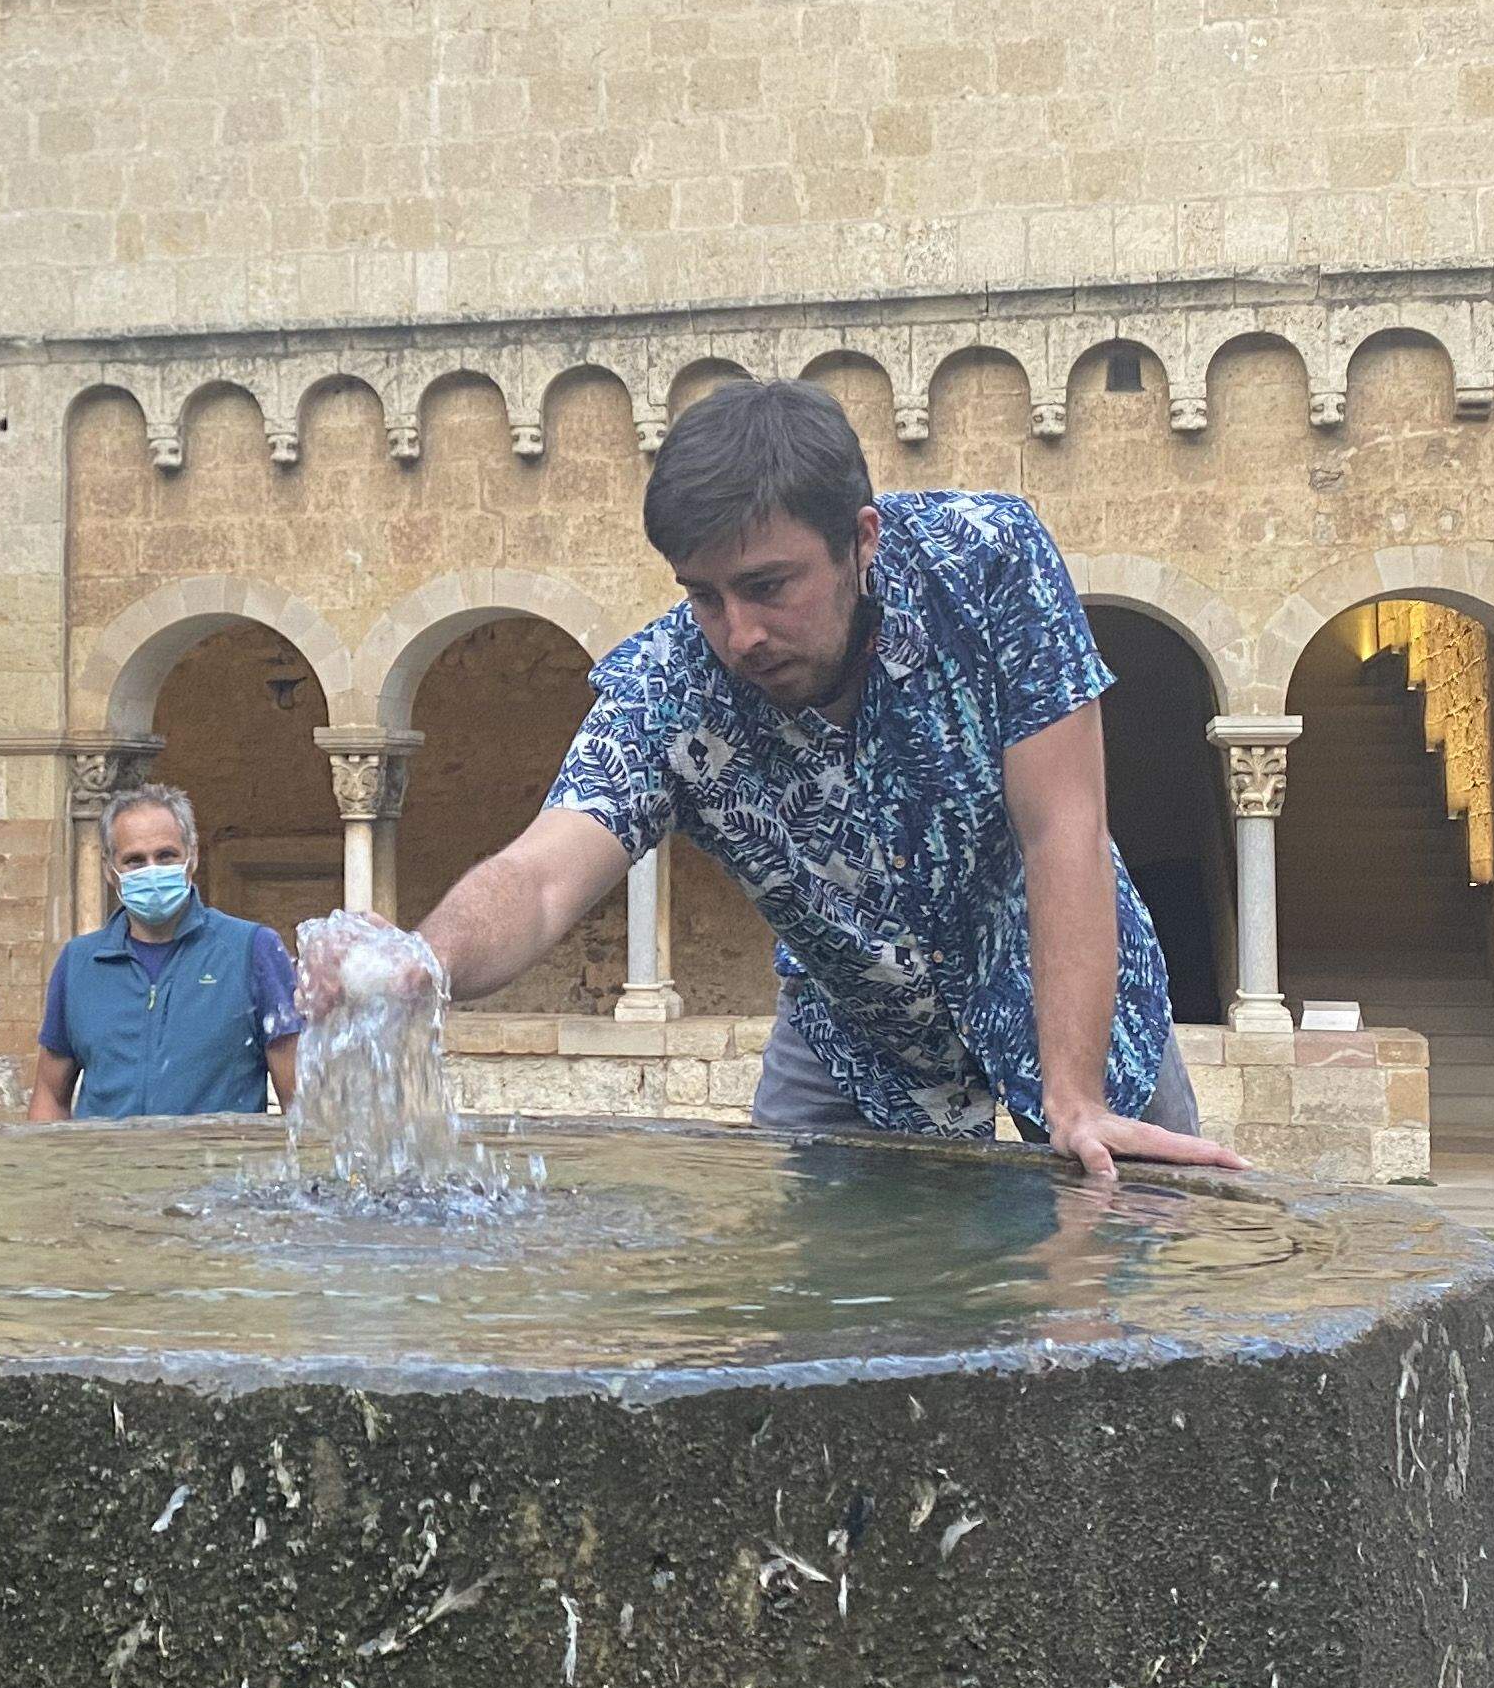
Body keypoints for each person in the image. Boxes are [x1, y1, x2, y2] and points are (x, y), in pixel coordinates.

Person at [319, 378, 1245, 1183]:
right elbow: (541, 876)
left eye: (769, 587)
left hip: (1060, 973)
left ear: (860, 538)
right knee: (811, 1331)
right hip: (853, 1031)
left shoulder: (989, 561)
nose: (739, 634)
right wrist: (424, 961)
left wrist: (1075, 1097)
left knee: (1133, 1278)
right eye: (704, 595)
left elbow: (1064, 830)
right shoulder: (669, 688)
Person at [28, 783, 302, 1119]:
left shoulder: (250, 950)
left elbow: (298, 1098)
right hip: (108, 1168)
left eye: (166, 856)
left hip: (215, 1167)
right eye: (134, 861)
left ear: (192, 856)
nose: (152, 870)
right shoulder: (80, 963)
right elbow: (50, 1093)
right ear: (109, 869)